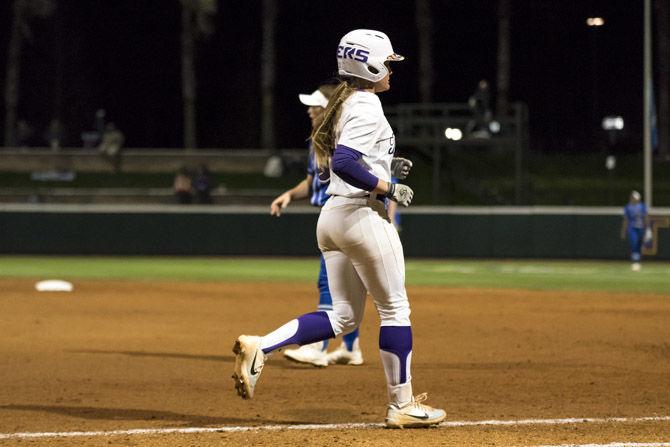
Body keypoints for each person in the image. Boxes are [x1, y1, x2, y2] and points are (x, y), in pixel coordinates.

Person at [232, 29, 445, 428]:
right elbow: (346, 162)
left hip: (332, 216)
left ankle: (262, 346)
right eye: (388, 63)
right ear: (370, 64)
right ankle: (401, 405)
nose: (391, 71)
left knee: (342, 317)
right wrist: (387, 185)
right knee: (396, 309)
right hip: (360, 215)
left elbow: (336, 164)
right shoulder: (367, 105)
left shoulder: (345, 102)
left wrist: (383, 167)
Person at [271, 83, 365, 368]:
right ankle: (351, 348)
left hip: (347, 217)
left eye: (317, 105)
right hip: (337, 217)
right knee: (347, 288)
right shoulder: (319, 141)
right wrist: (289, 194)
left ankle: (317, 346)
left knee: (329, 281)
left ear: (330, 109)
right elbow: (313, 181)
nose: (311, 110)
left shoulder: (342, 138)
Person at [620, 190, 651, 271]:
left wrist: (647, 228)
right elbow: (626, 219)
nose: (635, 199)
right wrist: (623, 230)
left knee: (639, 245)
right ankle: (635, 262)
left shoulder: (642, 206)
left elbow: (645, 217)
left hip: (640, 228)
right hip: (632, 228)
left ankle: (637, 262)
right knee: (634, 243)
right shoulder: (628, 207)